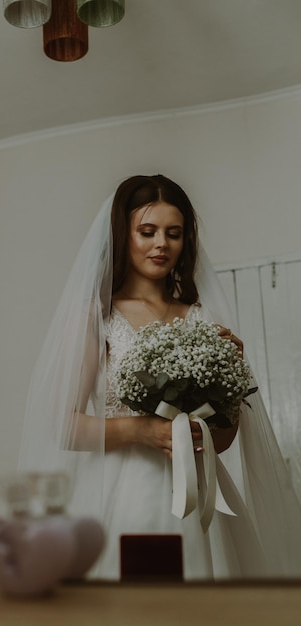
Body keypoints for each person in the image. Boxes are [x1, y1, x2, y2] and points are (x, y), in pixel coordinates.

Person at [19, 174, 301, 580]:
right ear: (122, 235)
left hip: (201, 498)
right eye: (147, 231)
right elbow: (62, 427)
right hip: (122, 491)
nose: (161, 244)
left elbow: (221, 442)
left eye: (174, 233)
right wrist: (142, 431)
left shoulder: (202, 318)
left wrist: (230, 379)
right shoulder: (96, 316)